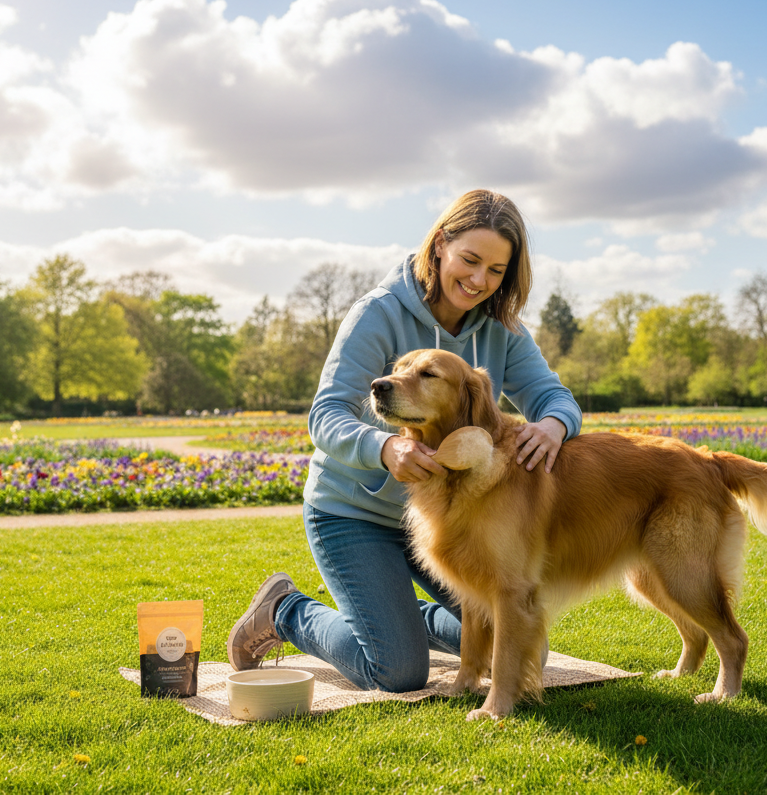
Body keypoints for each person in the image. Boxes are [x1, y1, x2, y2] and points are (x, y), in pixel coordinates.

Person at [226, 190, 582, 692]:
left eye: (497, 270)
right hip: (356, 515)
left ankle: (389, 618)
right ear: (440, 246)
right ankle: (285, 610)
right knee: (396, 670)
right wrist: (385, 448)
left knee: (522, 643)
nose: (480, 280)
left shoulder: (501, 330)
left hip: (447, 518)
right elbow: (325, 416)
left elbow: (555, 397)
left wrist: (553, 426)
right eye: (470, 260)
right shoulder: (377, 313)